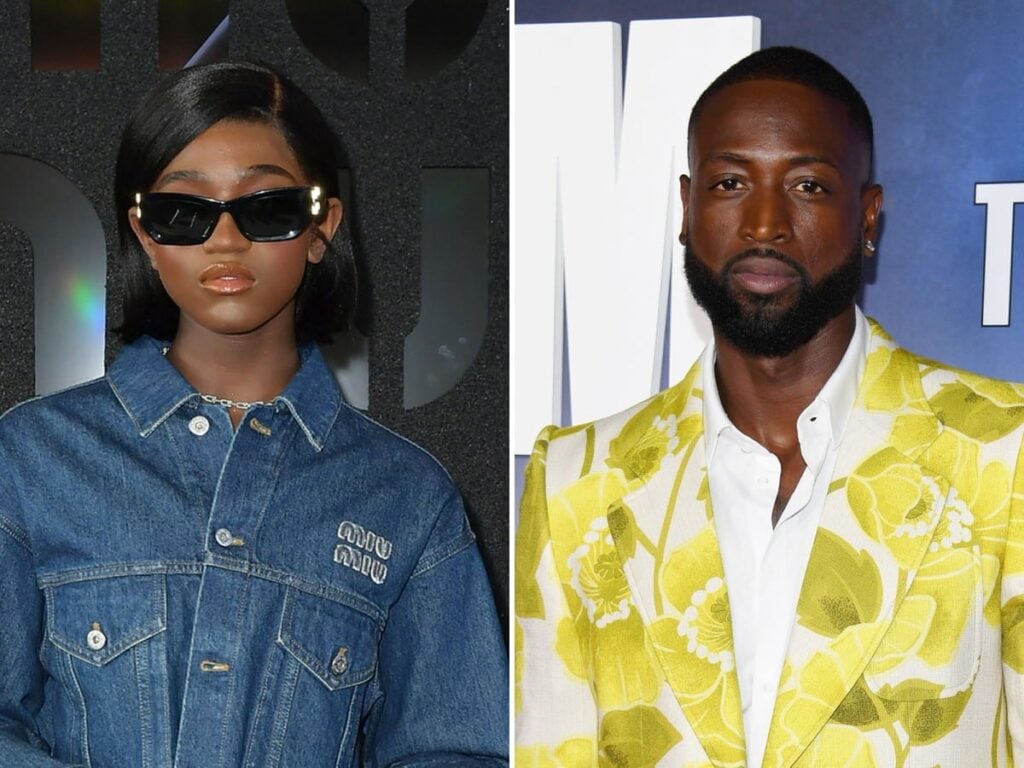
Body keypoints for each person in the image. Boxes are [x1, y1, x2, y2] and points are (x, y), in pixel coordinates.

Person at [516, 46, 1024, 767]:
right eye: (729, 182)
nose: (763, 223)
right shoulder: (577, 481)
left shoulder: (1004, 451)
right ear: (687, 210)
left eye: (808, 186)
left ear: (868, 215)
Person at [0, 61, 507, 767]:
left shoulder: (407, 498)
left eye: (266, 206)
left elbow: (456, 750)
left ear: (321, 225)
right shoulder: (30, 460)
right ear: (144, 233)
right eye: (185, 211)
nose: (226, 239)